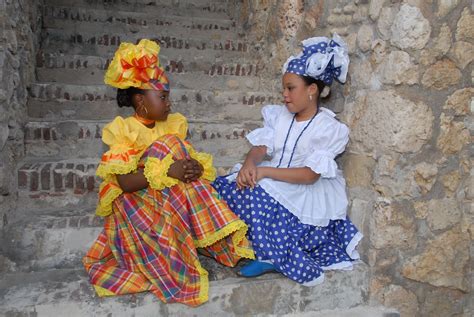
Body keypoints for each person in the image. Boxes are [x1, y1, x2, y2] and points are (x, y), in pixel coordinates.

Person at [83, 39, 254, 307]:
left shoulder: (172, 125)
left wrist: (193, 168)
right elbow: (125, 183)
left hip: (166, 196)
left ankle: (221, 241)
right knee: (169, 146)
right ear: (140, 101)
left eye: (168, 96)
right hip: (135, 201)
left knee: (177, 149)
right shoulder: (124, 129)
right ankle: (218, 242)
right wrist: (170, 171)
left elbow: (179, 167)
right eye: (162, 97)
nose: (169, 103)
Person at [212, 34, 362, 286]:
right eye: (284, 88)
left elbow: (310, 175)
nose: (285, 95)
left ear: (312, 90)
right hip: (280, 179)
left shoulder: (327, 128)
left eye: (291, 88)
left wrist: (265, 172)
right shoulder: (280, 117)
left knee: (257, 190)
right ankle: (244, 245)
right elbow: (261, 147)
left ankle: (273, 254)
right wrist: (251, 163)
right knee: (229, 184)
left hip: (307, 187)